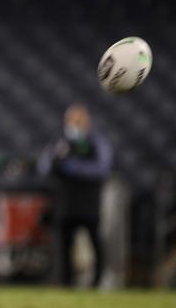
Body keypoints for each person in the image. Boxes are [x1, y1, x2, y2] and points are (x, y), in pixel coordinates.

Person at [37, 103, 113, 287]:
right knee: (64, 243)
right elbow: (44, 167)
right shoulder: (60, 143)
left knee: (94, 240)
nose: (73, 124)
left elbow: (102, 168)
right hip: (65, 202)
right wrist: (57, 160)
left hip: (88, 201)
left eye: (77, 120)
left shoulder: (96, 141)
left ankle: (98, 279)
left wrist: (72, 167)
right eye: (70, 120)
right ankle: (64, 280)